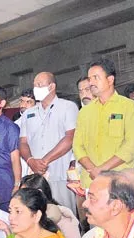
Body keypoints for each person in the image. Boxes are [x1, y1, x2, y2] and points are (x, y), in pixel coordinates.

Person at [72, 59, 134, 237]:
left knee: (124, 234)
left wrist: (102, 169)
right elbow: (77, 146)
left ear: (110, 80)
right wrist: (92, 169)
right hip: (92, 183)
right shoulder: (85, 112)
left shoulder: (128, 106)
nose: (91, 82)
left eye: (96, 77)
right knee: (98, 235)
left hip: (120, 183)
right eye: (89, 78)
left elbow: (132, 145)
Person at [19, 72, 79, 212]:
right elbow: (23, 142)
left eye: (39, 85)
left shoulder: (68, 107)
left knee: (64, 216)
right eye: (34, 86)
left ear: (52, 86)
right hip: (35, 177)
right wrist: (31, 161)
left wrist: (44, 161)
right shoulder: (28, 114)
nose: (35, 89)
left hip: (60, 174)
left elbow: (70, 137)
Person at [20, 174, 81, 238]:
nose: (20, 198)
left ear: (39, 192)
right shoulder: (26, 215)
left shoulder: (63, 216)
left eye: (24, 194)